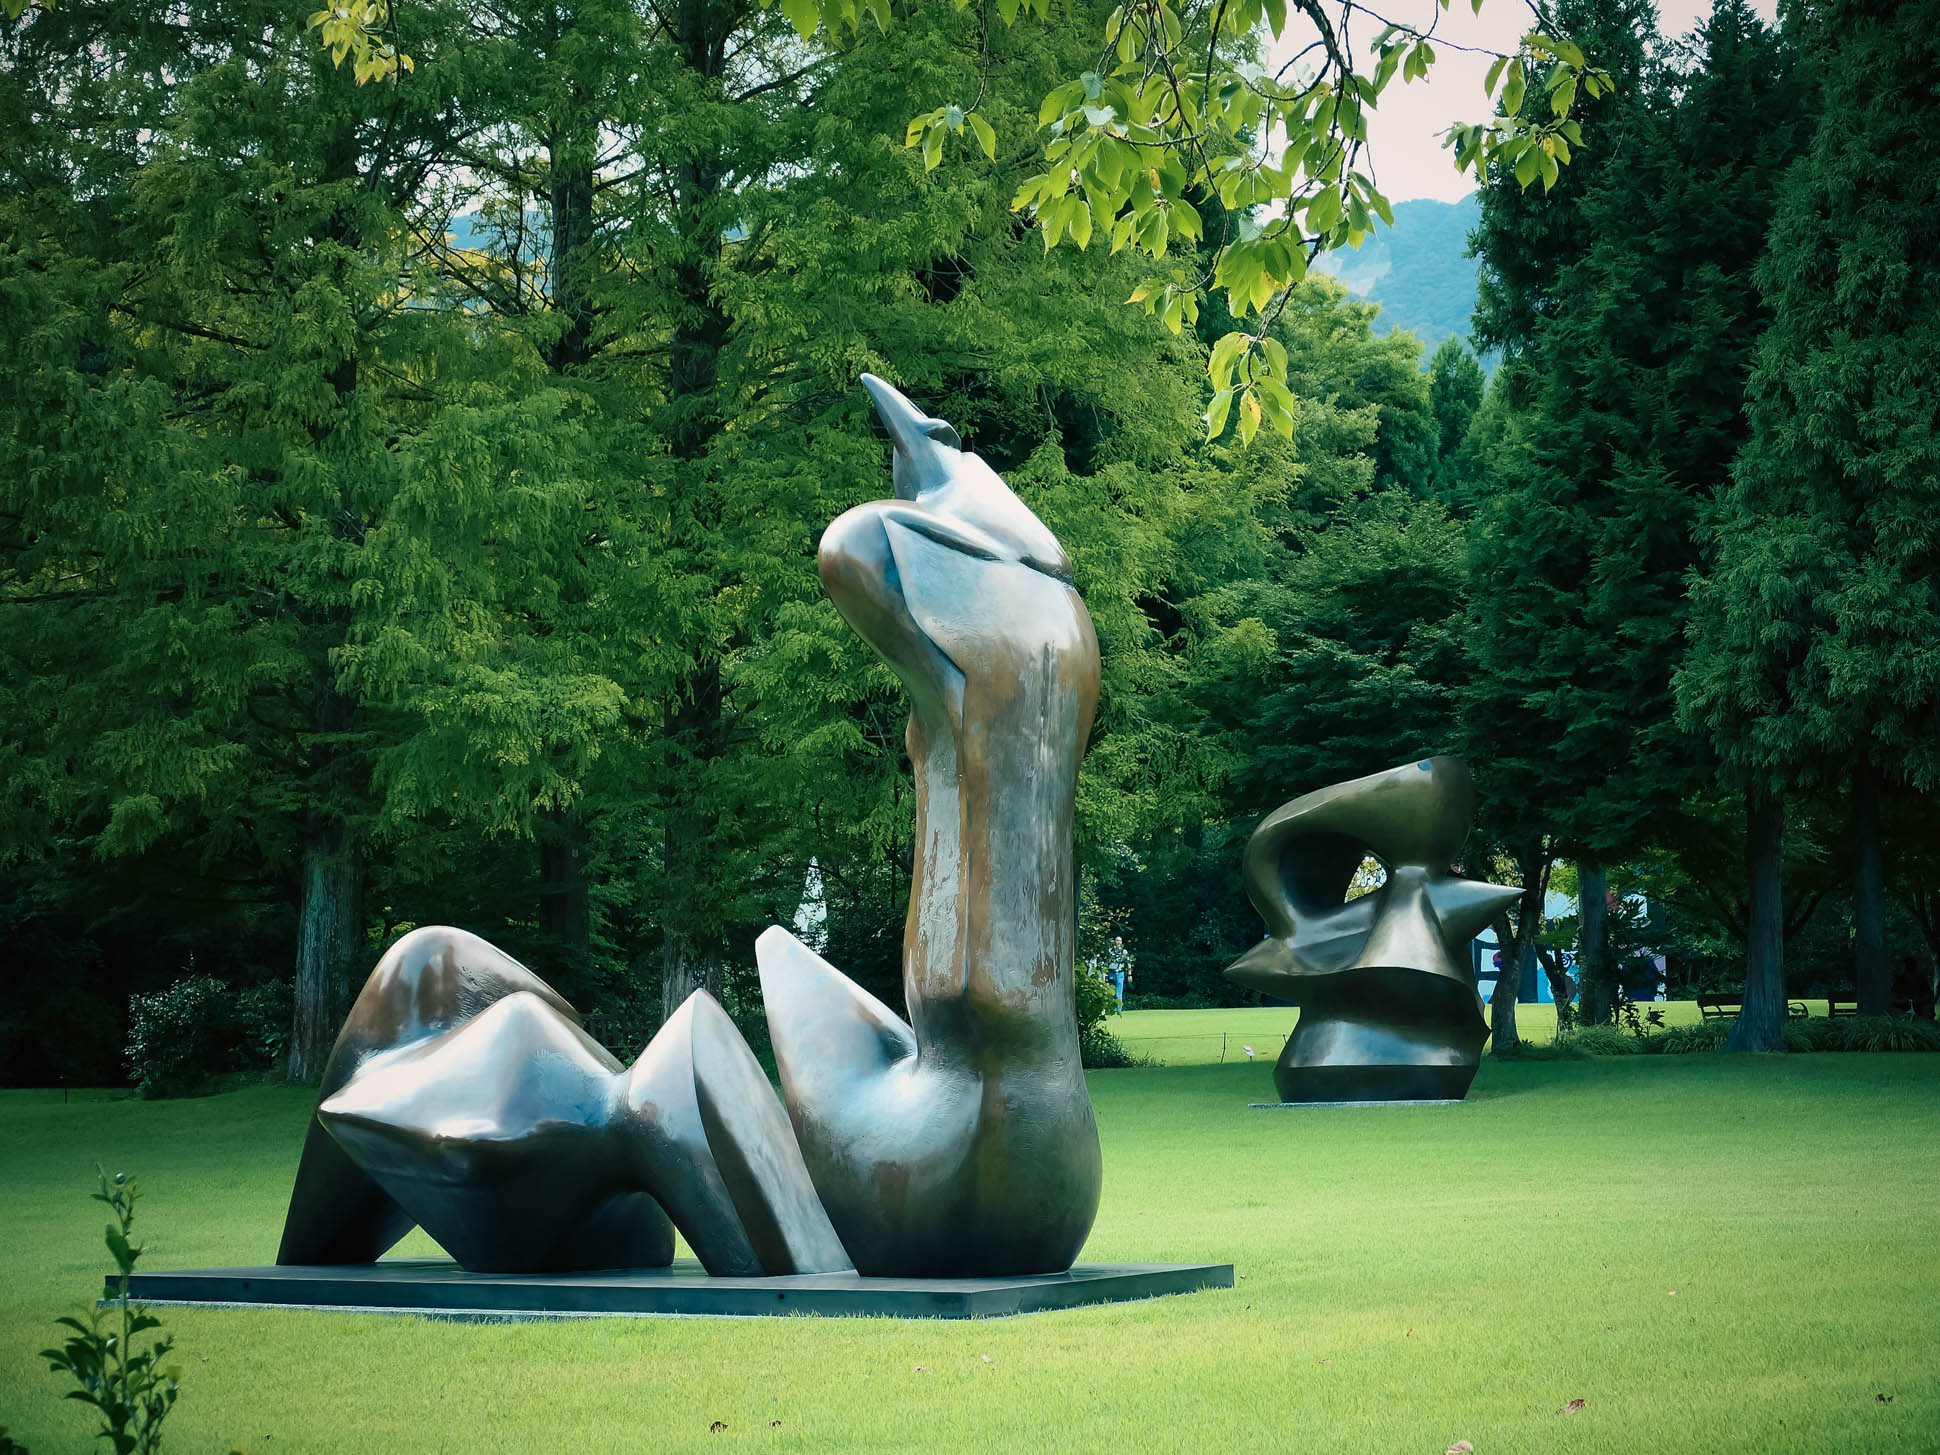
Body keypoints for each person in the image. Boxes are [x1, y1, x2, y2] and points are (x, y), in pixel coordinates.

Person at [1105, 935, 1133, 1008]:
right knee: (1110, 992)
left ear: (1121, 942)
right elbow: (1106, 963)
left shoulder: (1124, 952)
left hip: (1120, 973)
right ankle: (1110, 1009)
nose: (1118, 942)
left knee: (1118, 993)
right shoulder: (1110, 951)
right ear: (1114, 941)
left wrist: (1129, 975)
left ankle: (1118, 1010)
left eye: (1119, 941)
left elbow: (1128, 963)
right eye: (1117, 940)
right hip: (1111, 972)